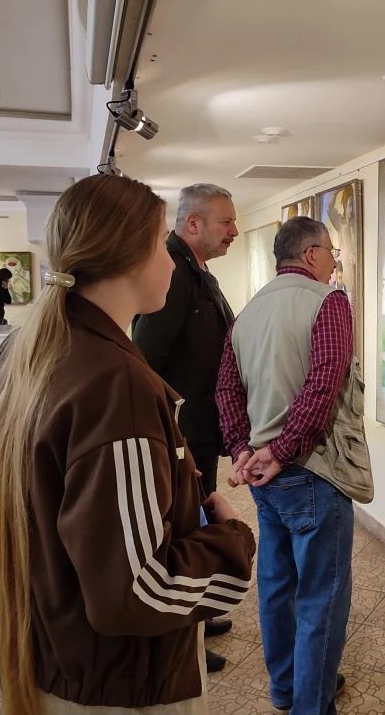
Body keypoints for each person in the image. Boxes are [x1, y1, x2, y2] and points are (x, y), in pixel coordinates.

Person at [0, 174, 256, 715]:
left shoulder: (46, 349)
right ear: (128, 256)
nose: (171, 262)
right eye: (160, 245)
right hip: (119, 684)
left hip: (61, 655)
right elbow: (137, 590)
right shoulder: (116, 384)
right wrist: (232, 542)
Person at [217, 217, 354, 715]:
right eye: (332, 251)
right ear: (312, 253)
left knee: (277, 585)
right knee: (321, 595)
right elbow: (323, 383)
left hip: (264, 475)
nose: (335, 262)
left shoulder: (248, 311)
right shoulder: (328, 301)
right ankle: (310, 705)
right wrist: (281, 451)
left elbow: (226, 388)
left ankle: (286, 687)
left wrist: (242, 450)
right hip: (311, 471)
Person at [131, 182, 239, 672]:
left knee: (195, 526)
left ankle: (199, 617)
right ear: (193, 224)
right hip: (182, 434)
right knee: (183, 533)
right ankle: (185, 635)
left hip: (198, 430)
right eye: (226, 221)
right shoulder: (174, 274)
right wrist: (168, 436)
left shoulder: (198, 273)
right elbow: (147, 361)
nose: (234, 231)